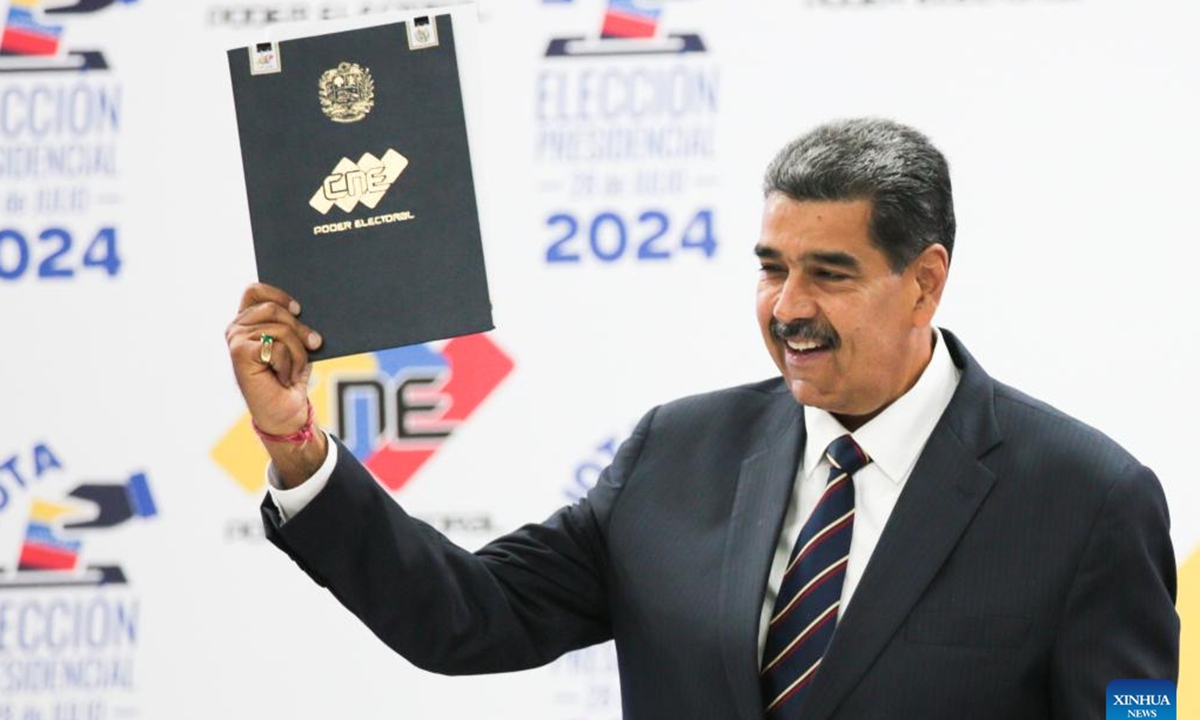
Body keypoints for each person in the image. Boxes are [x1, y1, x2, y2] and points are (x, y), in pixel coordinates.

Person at [224, 118, 1179, 719]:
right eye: (772, 268)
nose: (787, 307)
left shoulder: (1089, 501)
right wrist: (296, 447)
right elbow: (470, 619)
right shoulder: (674, 455)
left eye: (829, 273)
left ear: (924, 281)